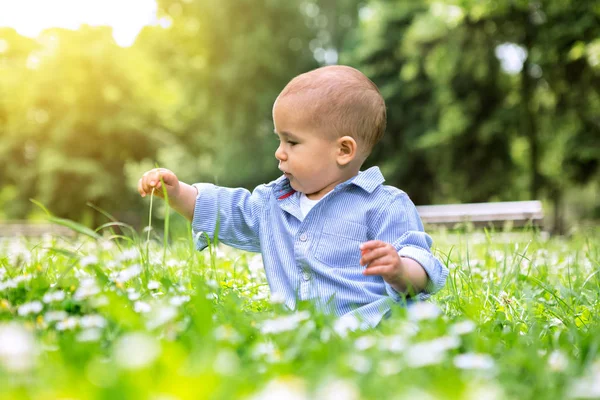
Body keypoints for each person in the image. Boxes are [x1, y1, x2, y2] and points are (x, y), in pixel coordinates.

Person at [138, 65, 448, 329]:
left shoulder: (383, 204)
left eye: (292, 142)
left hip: (372, 328)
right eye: (279, 139)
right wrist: (177, 193)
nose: (279, 152)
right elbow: (227, 212)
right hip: (299, 334)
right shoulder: (274, 203)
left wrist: (400, 270)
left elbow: (421, 261)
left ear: (343, 151)